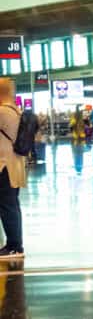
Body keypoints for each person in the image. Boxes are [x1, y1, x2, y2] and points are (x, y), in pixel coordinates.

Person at [0, 80, 25, 259]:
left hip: (4, 165)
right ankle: (14, 244)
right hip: (14, 165)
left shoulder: (2, 111)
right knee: (12, 205)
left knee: (8, 206)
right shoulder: (15, 110)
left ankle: (14, 246)